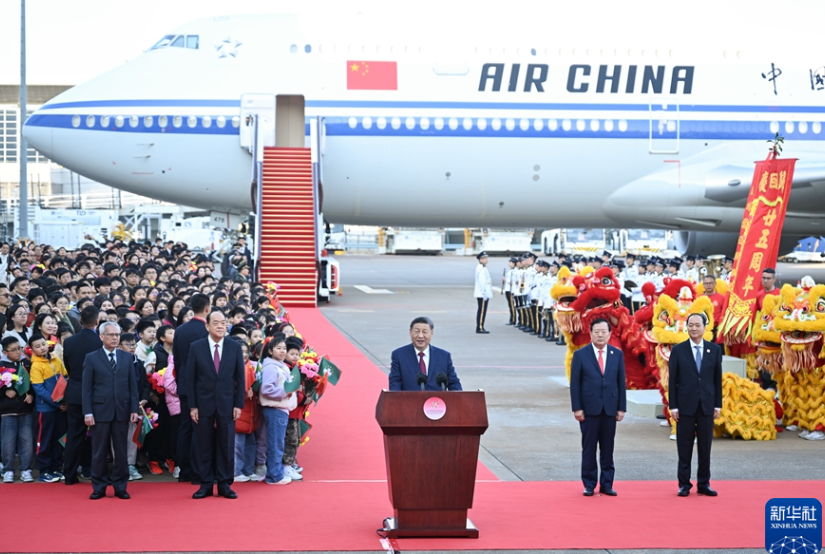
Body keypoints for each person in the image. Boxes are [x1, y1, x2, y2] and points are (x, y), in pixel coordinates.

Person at [187, 310, 245, 499]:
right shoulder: (196, 347)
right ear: (207, 326)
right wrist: (193, 406)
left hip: (227, 403)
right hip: (203, 404)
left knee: (226, 445)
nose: (221, 326)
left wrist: (238, 404)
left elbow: (240, 378)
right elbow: (191, 379)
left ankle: (224, 484)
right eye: (216, 323)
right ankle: (205, 484)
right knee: (203, 444)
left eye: (224, 323)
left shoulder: (234, 347)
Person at [82, 321, 140, 500]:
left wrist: (133, 408)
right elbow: (87, 388)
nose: (115, 338)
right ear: (101, 337)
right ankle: (99, 486)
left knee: (121, 451)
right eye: (111, 335)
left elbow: (132, 386)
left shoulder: (126, 357)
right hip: (99, 411)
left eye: (117, 335)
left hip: (122, 410)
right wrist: (88, 412)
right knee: (99, 451)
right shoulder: (92, 358)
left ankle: (120, 486)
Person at [569, 318, 626, 497]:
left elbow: (620, 383)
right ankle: (589, 483)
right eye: (597, 332)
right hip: (589, 410)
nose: (600, 335)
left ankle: (607, 484)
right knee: (589, 448)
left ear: (610, 334)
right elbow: (575, 384)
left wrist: (621, 408)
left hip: (610, 409)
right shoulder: (581, 355)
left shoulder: (617, 355)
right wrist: (577, 408)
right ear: (591, 333)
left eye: (604, 332)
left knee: (608, 449)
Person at [668, 313, 722, 497]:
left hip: (706, 405)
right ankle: (684, 484)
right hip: (685, 406)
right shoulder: (678, 350)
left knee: (705, 447)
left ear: (704, 327)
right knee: (684, 446)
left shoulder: (714, 350)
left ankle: (704, 483)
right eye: (690, 325)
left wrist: (718, 405)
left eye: (697, 325)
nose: (693, 328)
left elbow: (717, 379)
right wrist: (673, 406)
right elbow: (672, 380)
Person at [61, 305, 102, 484]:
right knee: (99, 434)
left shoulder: (69, 342)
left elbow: (68, 367)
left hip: (75, 392)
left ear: (79, 321)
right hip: (97, 393)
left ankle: (69, 475)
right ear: (97, 322)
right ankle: (97, 472)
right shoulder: (100, 342)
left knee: (74, 434)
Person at [172, 293, 209, 483]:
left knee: (185, 427)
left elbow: (177, 360)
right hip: (203, 387)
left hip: (185, 384)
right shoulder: (208, 330)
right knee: (200, 428)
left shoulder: (180, 329)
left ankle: (184, 469)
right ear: (208, 309)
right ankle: (197, 471)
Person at [259, 333, 296, 486]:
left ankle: (274, 473)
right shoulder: (271, 367)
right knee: (276, 444)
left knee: (277, 442)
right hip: (275, 409)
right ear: (270, 350)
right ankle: (274, 476)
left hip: (281, 409)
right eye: (278, 348)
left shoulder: (279, 366)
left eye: (284, 348)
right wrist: (285, 393)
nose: (282, 351)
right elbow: (266, 389)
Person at [388, 317, 462, 391]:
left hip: (436, 402)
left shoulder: (444, 356)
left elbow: (454, 383)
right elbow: (395, 384)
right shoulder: (399, 355)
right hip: (410, 401)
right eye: (417, 331)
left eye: (424, 332)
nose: (420, 336)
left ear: (431, 333)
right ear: (410, 332)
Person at [1, 336, 35, 483]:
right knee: (8, 442)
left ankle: (26, 469)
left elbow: (34, 383)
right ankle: (8, 470)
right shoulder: (1, 366)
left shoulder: (27, 363)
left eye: (19, 349)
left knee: (27, 441)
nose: (17, 352)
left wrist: (32, 395)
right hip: (7, 410)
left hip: (25, 409)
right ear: (4, 352)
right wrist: (4, 392)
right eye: (13, 350)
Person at [473, 251, 492, 334]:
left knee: (482, 311)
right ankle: (480, 327)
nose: (486, 259)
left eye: (486, 258)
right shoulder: (481, 268)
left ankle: (481, 326)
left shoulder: (483, 267)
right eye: (484, 258)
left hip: (483, 293)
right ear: (480, 259)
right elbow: (482, 282)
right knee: (482, 311)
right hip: (482, 294)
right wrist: (484, 293)